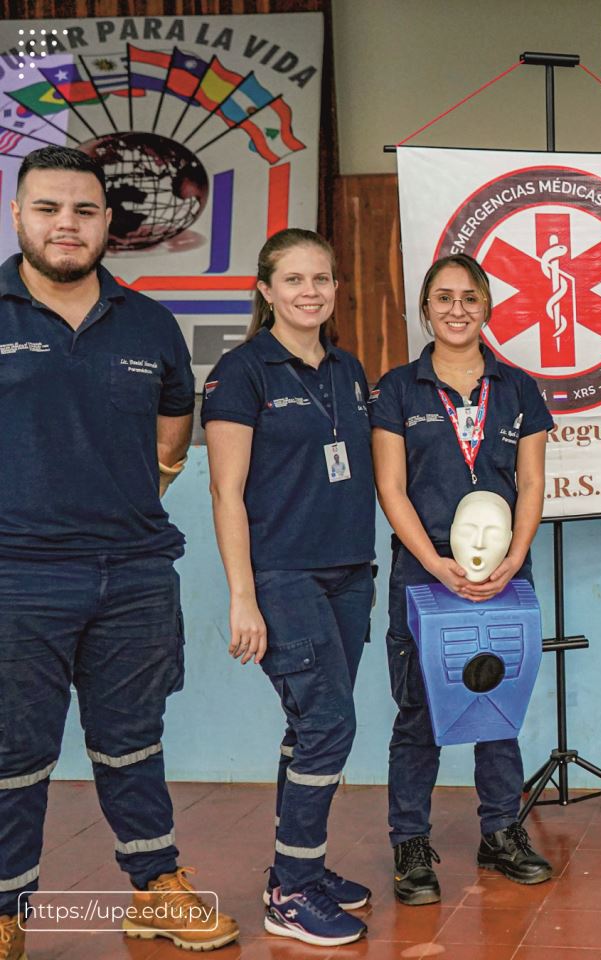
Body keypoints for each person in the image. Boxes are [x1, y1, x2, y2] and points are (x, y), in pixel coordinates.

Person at [0, 146, 238, 960]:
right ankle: (5, 907)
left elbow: (174, 430)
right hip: (16, 576)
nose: (66, 224)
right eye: (48, 209)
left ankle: (155, 888)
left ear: (109, 223)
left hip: (134, 576)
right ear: (19, 215)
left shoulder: (148, 324)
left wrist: (135, 498)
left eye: (84, 211)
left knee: (132, 738)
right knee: (14, 748)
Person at [202, 228, 375, 947]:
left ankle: (302, 863)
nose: (312, 292)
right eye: (296, 280)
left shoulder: (346, 367)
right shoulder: (241, 372)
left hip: (350, 572)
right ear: (266, 291)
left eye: (323, 280)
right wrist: (244, 595)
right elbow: (225, 492)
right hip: (283, 573)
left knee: (311, 724)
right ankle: (291, 891)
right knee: (331, 723)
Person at [370, 253, 554, 906]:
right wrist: (433, 561)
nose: (457, 309)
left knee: (496, 707)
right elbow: (391, 489)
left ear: (488, 308)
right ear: (426, 308)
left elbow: (531, 482)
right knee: (420, 710)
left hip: (506, 577)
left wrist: (515, 555)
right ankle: (411, 845)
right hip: (423, 580)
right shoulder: (397, 389)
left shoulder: (519, 388)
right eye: (443, 298)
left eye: (470, 298)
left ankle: (502, 830)